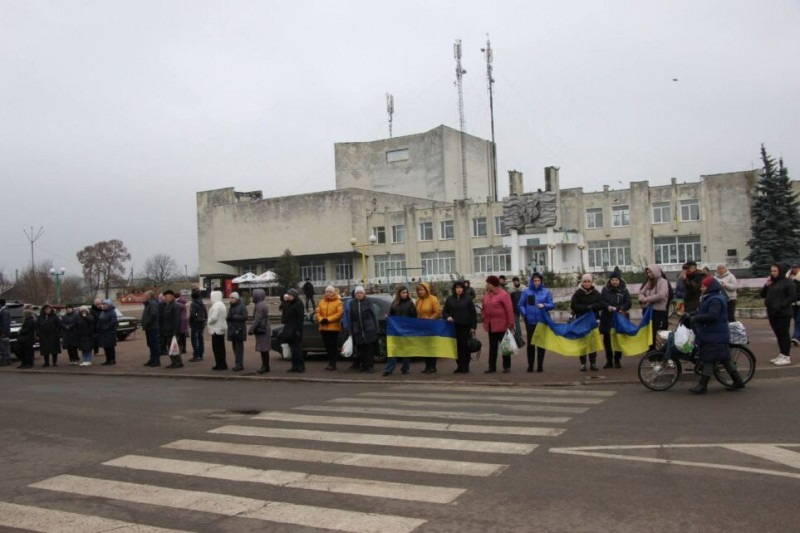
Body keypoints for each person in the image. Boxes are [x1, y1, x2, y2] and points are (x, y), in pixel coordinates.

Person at [688, 276, 745, 394]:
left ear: (709, 287)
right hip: (714, 333)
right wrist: (691, 314)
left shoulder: (715, 300)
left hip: (715, 333)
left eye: (703, 286)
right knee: (724, 359)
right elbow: (703, 311)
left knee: (709, 358)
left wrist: (696, 318)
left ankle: (702, 385)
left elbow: (712, 316)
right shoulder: (711, 297)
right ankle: (738, 381)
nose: (701, 288)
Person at [761, 262, 796, 366]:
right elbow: (762, 294)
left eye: (775, 271)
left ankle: (786, 356)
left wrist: (782, 305)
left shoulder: (788, 282)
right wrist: (766, 285)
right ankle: (782, 354)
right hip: (772, 313)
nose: (773, 273)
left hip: (783, 313)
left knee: (784, 334)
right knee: (778, 334)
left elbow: (792, 296)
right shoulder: (772, 282)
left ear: (781, 271)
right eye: (772, 271)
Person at [518, 272, 554, 373]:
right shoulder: (526, 292)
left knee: (541, 344)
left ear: (541, 281)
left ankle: (540, 365)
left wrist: (544, 305)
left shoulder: (546, 292)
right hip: (530, 321)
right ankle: (530, 365)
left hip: (542, 321)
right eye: (535, 280)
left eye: (538, 280)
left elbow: (552, 305)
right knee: (531, 344)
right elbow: (521, 305)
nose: (536, 282)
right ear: (532, 281)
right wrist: (525, 314)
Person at [599, 268, 632, 369]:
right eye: (612, 280)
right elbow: (601, 301)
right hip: (607, 318)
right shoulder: (605, 290)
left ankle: (617, 360)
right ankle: (609, 361)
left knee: (618, 340)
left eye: (616, 280)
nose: (614, 282)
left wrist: (621, 308)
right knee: (607, 341)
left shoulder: (624, 291)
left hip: (619, 319)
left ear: (619, 280)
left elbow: (628, 303)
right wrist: (607, 307)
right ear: (610, 280)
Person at [482, 275, 515, 373]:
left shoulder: (504, 294)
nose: (487, 285)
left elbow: (509, 309)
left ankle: (506, 366)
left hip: (503, 325)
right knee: (492, 348)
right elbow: (484, 307)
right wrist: (484, 317)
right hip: (491, 325)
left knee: (505, 346)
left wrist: (510, 323)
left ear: (494, 284)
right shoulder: (487, 294)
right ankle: (491, 367)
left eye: (488, 283)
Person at [443, 280, 478, 374]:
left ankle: (465, 366)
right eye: (457, 288)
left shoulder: (468, 299)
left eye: (460, 287)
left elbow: (473, 314)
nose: (458, 289)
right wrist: (448, 317)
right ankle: (459, 366)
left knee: (465, 347)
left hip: (466, 327)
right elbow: (445, 311)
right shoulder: (450, 299)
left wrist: (473, 327)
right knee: (457, 347)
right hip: (454, 328)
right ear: (454, 289)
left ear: (463, 289)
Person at [571, 274, 602, 371]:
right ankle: (583, 364)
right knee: (582, 343)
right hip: (581, 320)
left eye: (588, 281)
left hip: (593, 322)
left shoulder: (596, 293)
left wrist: (592, 306)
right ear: (582, 282)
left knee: (592, 343)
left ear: (592, 282)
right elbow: (574, 305)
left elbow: (601, 304)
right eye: (585, 282)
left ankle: (593, 363)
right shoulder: (578, 293)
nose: (587, 283)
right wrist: (586, 308)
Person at [383, 285, 416, 376]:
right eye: (403, 293)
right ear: (399, 293)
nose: (405, 294)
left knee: (406, 350)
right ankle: (389, 369)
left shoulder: (410, 303)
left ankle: (405, 368)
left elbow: (414, 316)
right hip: (396, 330)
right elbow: (391, 313)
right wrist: (388, 316)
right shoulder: (395, 303)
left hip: (406, 330)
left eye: (406, 293)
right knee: (393, 349)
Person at [348, 286, 379, 373]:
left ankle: (370, 366)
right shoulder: (352, 303)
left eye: (361, 293)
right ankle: (363, 365)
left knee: (369, 349)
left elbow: (374, 315)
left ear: (364, 294)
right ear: (355, 294)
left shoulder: (368, 302)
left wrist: (377, 328)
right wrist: (351, 331)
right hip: (358, 330)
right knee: (361, 349)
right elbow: (350, 317)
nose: (359, 295)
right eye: (357, 293)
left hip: (369, 329)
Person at [638, 264, 670, 348]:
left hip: (658, 311)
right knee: (649, 331)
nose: (649, 274)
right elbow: (641, 292)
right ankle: (650, 349)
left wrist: (646, 299)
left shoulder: (663, 282)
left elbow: (661, 295)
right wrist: (641, 298)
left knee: (656, 332)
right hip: (649, 311)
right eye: (648, 273)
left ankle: (657, 351)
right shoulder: (649, 282)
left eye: (650, 272)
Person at [415, 282, 442, 373]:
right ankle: (427, 366)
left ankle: (432, 366)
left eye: (421, 290)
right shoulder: (418, 301)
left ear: (426, 290)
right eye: (418, 290)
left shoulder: (433, 299)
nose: (420, 292)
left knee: (431, 347)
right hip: (421, 328)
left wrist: (429, 320)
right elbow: (416, 313)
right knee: (424, 347)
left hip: (431, 327)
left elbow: (437, 312)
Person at [316, 285, 343, 371]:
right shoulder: (321, 302)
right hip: (323, 328)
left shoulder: (338, 302)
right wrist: (321, 319)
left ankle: (333, 363)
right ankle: (330, 363)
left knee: (333, 347)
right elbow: (318, 313)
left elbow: (339, 314)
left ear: (334, 293)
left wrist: (328, 319)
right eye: (327, 292)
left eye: (330, 292)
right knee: (327, 346)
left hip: (333, 328)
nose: (328, 293)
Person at [280, 288, 306, 372]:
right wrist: (284, 301)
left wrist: (298, 330)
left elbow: (300, 318)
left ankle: (301, 366)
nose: (288, 296)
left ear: (294, 296)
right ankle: (294, 366)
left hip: (295, 329)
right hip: (289, 329)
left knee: (297, 349)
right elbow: (283, 310)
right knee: (292, 349)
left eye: (290, 295)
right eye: (288, 295)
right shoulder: (288, 303)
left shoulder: (298, 304)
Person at [248, 288, 271, 374]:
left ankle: (265, 366)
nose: (252, 297)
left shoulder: (259, 306)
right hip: (264, 328)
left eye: (253, 296)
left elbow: (257, 319)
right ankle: (265, 366)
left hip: (262, 329)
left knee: (263, 348)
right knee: (264, 348)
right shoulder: (261, 304)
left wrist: (251, 329)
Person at [161, 290, 183, 368]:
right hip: (168, 330)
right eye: (165, 297)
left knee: (174, 346)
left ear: (171, 296)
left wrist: (175, 332)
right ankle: (173, 362)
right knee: (170, 346)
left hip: (172, 330)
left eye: (167, 297)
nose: (165, 299)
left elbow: (176, 320)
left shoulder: (175, 306)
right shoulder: (168, 305)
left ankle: (178, 362)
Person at [226, 292, 248, 371]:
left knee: (239, 348)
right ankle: (238, 363)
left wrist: (233, 317)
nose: (231, 299)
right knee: (235, 347)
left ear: (236, 298)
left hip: (239, 329)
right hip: (232, 328)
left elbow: (245, 316)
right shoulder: (232, 306)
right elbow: (229, 316)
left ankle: (239, 364)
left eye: (232, 298)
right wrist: (228, 318)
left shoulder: (241, 306)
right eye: (230, 298)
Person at [207, 290, 228, 370]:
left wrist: (208, 321)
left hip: (216, 329)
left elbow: (214, 317)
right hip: (221, 328)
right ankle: (221, 364)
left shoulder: (216, 305)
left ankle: (220, 364)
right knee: (221, 348)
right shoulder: (221, 304)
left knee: (217, 348)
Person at [141, 290, 161, 367]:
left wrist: (147, 322)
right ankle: (152, 358)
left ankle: (156, 360)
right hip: (149, 327)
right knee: (150, 344)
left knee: (154, 344)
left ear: (149, 296)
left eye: (145, 296)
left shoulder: (153, 303)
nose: (144, 297)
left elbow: (153, 315)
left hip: (152, 327)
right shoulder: (148, 303)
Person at [96, 299, 118, 366]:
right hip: (103, 332)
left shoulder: (112, 312)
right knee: (105, 346)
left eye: (105, 304)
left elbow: (113, 322)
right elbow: (99, 320)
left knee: (110, 347)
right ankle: (107, 359)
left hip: (110, 332)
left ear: (109, 305)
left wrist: (106, 327)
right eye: (103, 304)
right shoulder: (103, 312)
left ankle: (112, 360)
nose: (104, 306)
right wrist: (98, 327)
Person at [188, 289, 207, 361]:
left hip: (195, 323)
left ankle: (196, 355)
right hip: (201, 322)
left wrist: (191, 321)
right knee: (200, 339)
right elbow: (205, 313)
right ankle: (200, 354)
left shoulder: (193, 304)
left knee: (195, 340)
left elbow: (193, 314)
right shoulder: (201, 303)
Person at [510, 276, 526, 345]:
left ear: (519, 281)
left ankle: (529, 332)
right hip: (515, 308)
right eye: (514, 281)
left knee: (527, 320)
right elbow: (510, 300)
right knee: (516, 323)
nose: (515, 282)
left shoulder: (524, 288)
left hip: (523, 308)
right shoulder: (511, 290)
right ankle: (519, 335)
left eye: (516, 281)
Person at [790, 261, 800, 346]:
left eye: (796, 268)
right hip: (793, 304)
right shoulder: (791, 279)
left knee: (798, 320)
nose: (794, 269)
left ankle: (796, 337)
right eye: (793, 268)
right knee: (796, 319)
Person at [0, 299, 11, 367]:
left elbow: (5, 323)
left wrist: (3, 332)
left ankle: (5, 360)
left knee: (4, 347)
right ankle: (6, 360)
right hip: (3, 332)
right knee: (3, 346)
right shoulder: (3, 311)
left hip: (3, 333)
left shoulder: (4, 312)